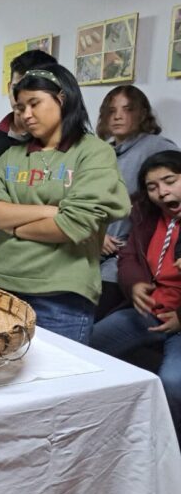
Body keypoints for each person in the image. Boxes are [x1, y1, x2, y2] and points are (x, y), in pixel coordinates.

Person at [0, 65, 131, 344]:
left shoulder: (93, 153)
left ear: (62, 99)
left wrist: (13, 227)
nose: (26, 115)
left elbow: (75, 224)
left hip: (62, 296)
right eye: (20, 107)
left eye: (34, 103)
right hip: (2, 288)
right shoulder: (14, 156)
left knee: (59, 383)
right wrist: (47, 211)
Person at [90, 150, 181, 443]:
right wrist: (136, 285)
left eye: (170, 181)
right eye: (153, 187)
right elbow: (128, 257)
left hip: (177, 325)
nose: (162, 192)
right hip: (146, 312)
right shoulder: (147, 216)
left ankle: (170, 455)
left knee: (173, 382)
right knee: (86, 349)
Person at [0, 49, 58, 282]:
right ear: (10, 86)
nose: (23, 96)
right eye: (19, 86)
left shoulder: (62, 141)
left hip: (38, 249)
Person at [95, 85, 178, 320]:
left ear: (141, 113)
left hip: (123, 258)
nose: (118, 116)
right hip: (89, 249)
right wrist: (94, 234)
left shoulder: (156, 147)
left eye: (127, 109)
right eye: (111, 111)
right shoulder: (102, 152)